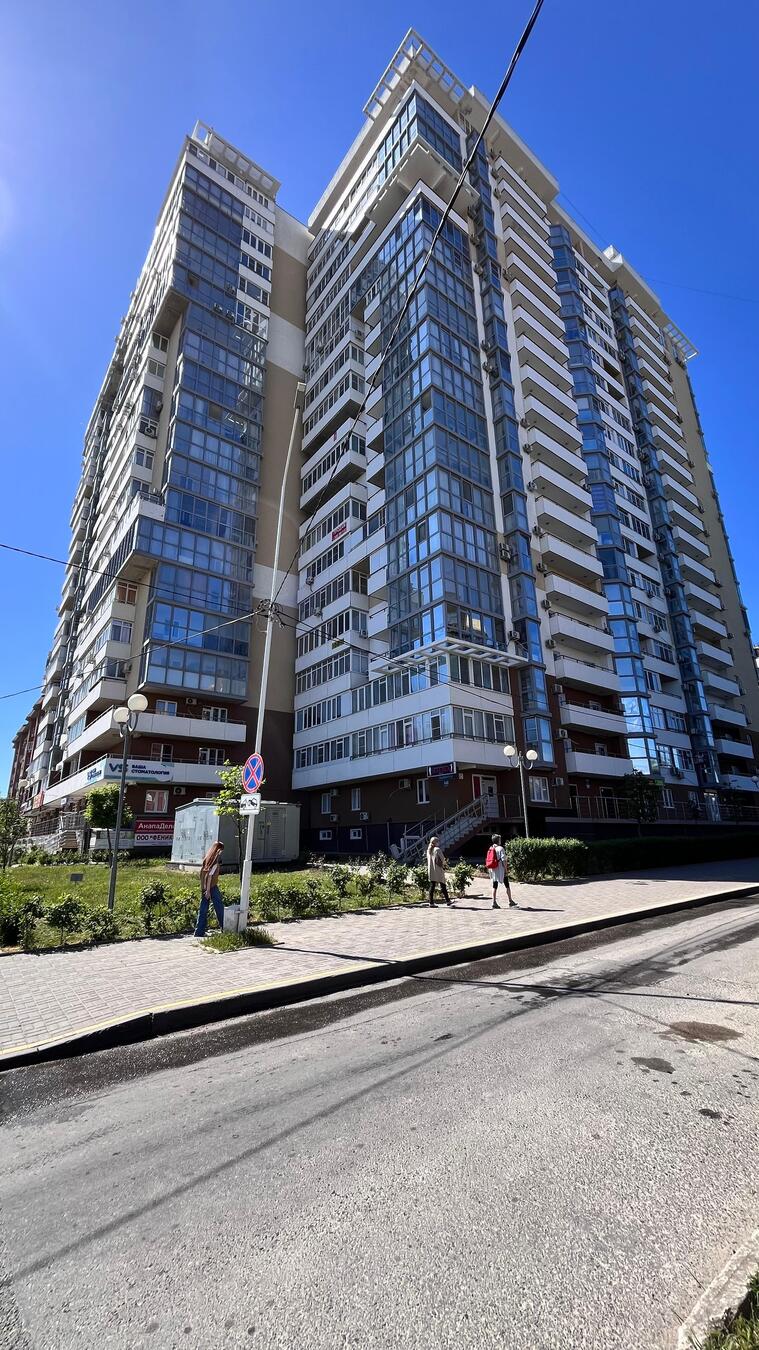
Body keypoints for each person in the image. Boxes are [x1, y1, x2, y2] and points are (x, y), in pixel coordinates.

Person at [194, 840, 226, 937]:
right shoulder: (215, 860)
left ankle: (199, 932)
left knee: (203, 909)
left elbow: (203, 873)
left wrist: (204, 888)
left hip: (204, 886)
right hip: (211, 887)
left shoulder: (207, 858)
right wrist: (208, 890)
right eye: (221, 850)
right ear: (218, 850)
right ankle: (225, 928)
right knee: (219, 907)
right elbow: (210, 876)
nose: (221, 852)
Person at [485, 834, 517, 910]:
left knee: (494, 886)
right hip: (500, 869)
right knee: (507, 885)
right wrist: (506, 870)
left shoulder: (490, 848)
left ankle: (494, 902)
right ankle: (510, 901)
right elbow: (504, 860)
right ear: (498, 840)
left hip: (493, 869)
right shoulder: (501, 848)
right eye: (500, 839)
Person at [426, 836, 453, 908]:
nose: (439, 843)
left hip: (431, 870)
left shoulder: (428, 850)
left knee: (432, 886)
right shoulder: (437, 849)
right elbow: (443, 860)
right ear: (436, 842)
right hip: (438, 869)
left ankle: (431, 902)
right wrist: (445, 865)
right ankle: (448, 901)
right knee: (443, 885)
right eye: (438, 841)